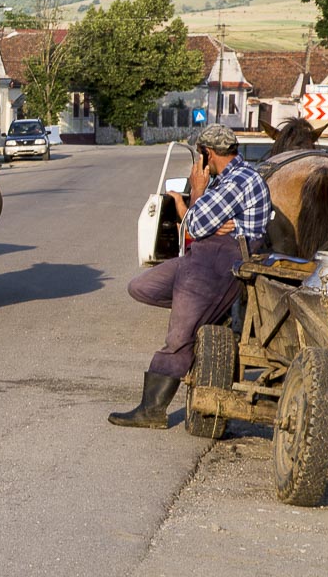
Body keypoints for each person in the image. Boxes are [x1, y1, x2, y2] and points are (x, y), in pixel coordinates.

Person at [109, 124, 271, 429]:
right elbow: (204, 224)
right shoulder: (230, 178)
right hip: (201, 257)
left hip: (220, 261)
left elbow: (195, 226)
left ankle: (152, 411)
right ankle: (204, 313)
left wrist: (194, 193)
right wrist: (212, 219)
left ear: (207, 153)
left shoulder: (236, 181)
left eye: (201, 155)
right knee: (141, 286)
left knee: (178, 337)